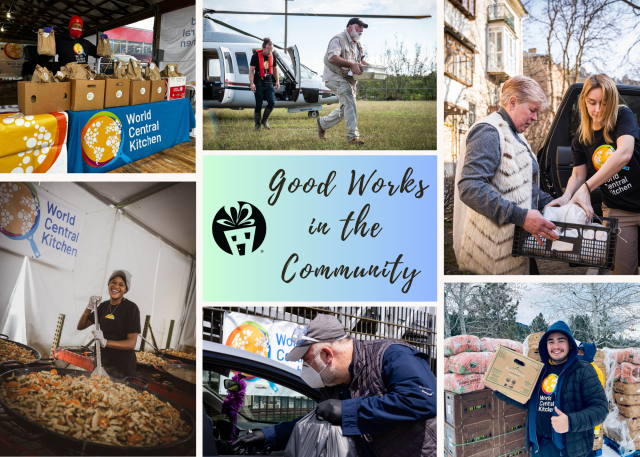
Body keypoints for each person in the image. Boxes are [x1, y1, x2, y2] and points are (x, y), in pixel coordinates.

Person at [232, 315, 437, 457]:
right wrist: (267, 436)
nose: (304, 368)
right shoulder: (332, 384)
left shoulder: (392, 355)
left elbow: (422, 400)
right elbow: (313, 424)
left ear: (327, 355)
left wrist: (348, 410)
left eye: (306, 361)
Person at [453, 75, 559, 275]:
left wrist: (555, 205)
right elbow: (470, 187)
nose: (535, 118)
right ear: (513, 102)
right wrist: (521, 216)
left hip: (517, 246)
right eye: (532, 110)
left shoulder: (515, 135)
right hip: (492, 255)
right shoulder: (488, 132)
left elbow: (524, 186)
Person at [546, 74, 640, 275]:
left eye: (604, 103)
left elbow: (624, 153)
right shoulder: (581, 137)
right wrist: (566, 196)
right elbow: (578, 175)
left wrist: (587, 188)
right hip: (618, 211)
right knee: (622, 273)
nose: (598, 110)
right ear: (584, 102)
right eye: (592, 103)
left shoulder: (623, 116)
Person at [488, 321, 608, 457]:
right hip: (539, 447)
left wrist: (570, 422)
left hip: (568, 450)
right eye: (551, 342)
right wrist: (500, 390)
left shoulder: (583, 370)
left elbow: (601, 408)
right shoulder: (539, 371)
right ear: (545, 346)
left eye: (561, 341)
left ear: (570, 344)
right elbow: (527, 402)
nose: (555, 346)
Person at [77, 270, 141, 379]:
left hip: (122, 366)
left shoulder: (131, 308)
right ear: (108, 284)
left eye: (121, 284)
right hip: (103, 361)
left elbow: (131, 343)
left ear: (126, 289)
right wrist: (89, 307)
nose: (116, 286)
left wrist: (105, 342)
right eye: (113, 282)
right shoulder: (103, 306)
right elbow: (81, 326)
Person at [317, 18, 371, 145]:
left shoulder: (357, 43)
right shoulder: (338, 39)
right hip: (334, 77)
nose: (361, 30)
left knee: (344, 108)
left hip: (348, 80)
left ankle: (322, 123)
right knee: (350, 103)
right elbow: (332, 58)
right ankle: (352, 137)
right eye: (359, 27)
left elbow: (361, 61)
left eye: (363, 28)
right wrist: (351, 65)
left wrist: (373, 68)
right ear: (350, 27)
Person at [40, 16, 107, 70]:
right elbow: (45, 57)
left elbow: (99, 54)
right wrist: (46, 38)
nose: (77, 28)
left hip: (82, 77)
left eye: (79, 27)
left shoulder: (86, 43)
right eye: (74, 26)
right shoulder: (61, 43)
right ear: (70, 27)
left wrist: (104, 42)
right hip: (66, 78)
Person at [249, 38, 280, 131]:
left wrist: (277, 81)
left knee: (272, 102)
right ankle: (257, 124)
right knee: (259, 104)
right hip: (258, 84)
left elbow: (275, 69)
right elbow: (251, 70)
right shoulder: (255, 56)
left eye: (271, 50)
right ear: (263, 48)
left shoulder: (272, 56)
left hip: (269, 83)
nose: (270, 52)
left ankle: (264, 120)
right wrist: (251, 83)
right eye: (268, 50)